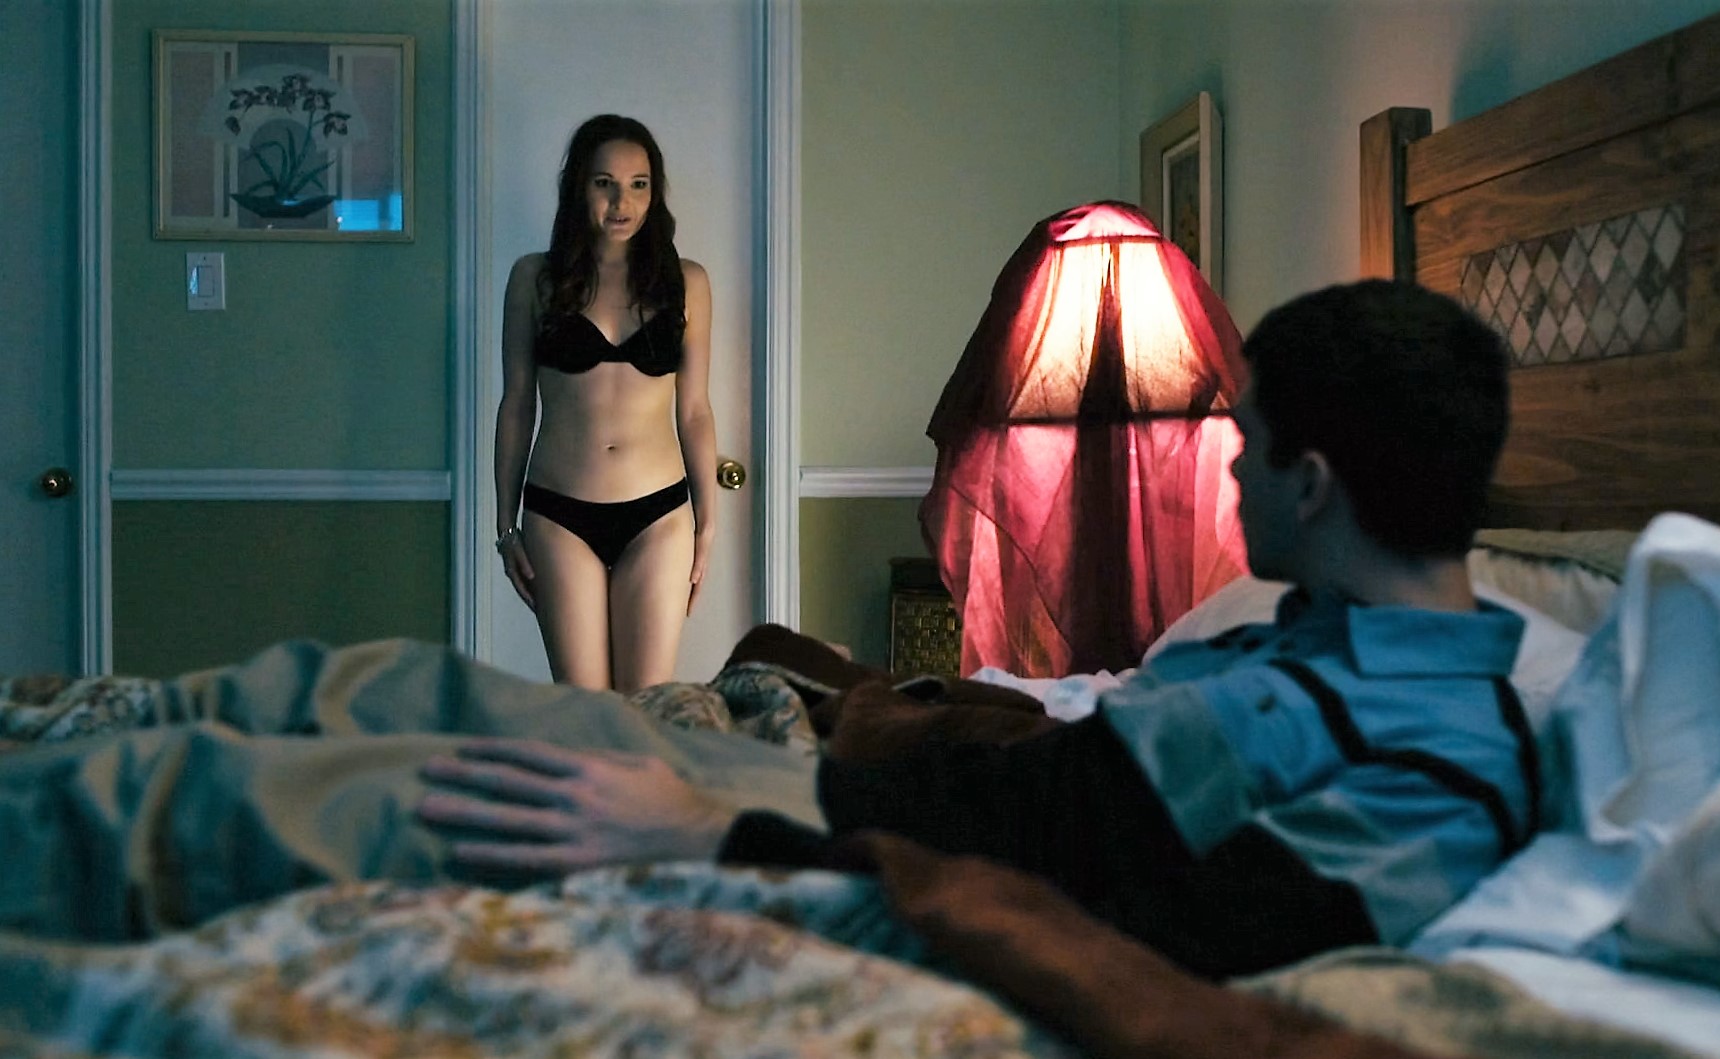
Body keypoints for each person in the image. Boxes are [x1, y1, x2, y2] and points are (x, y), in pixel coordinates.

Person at [0, 280, 1532, 981]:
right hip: (875, 790)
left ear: (1313, 482)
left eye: (1245, 445)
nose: (1226, 471)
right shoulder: (1313, 632)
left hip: (868, 853)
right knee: (391, 679)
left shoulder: (1439, 771)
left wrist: (716, 831)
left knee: (355, 796)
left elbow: (1147, 923)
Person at [494, 114, 717, 692]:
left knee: (646, 708)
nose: (622, 202)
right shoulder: (534, 279)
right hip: (558, 515)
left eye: (639, 184)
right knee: (587, 712)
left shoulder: (686, 282)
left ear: (654, 191)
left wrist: (708, 524)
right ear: (579, 187)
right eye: (604, 183)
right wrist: (505, 525)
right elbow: (516, 404)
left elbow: (695, 411)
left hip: (660, 517)